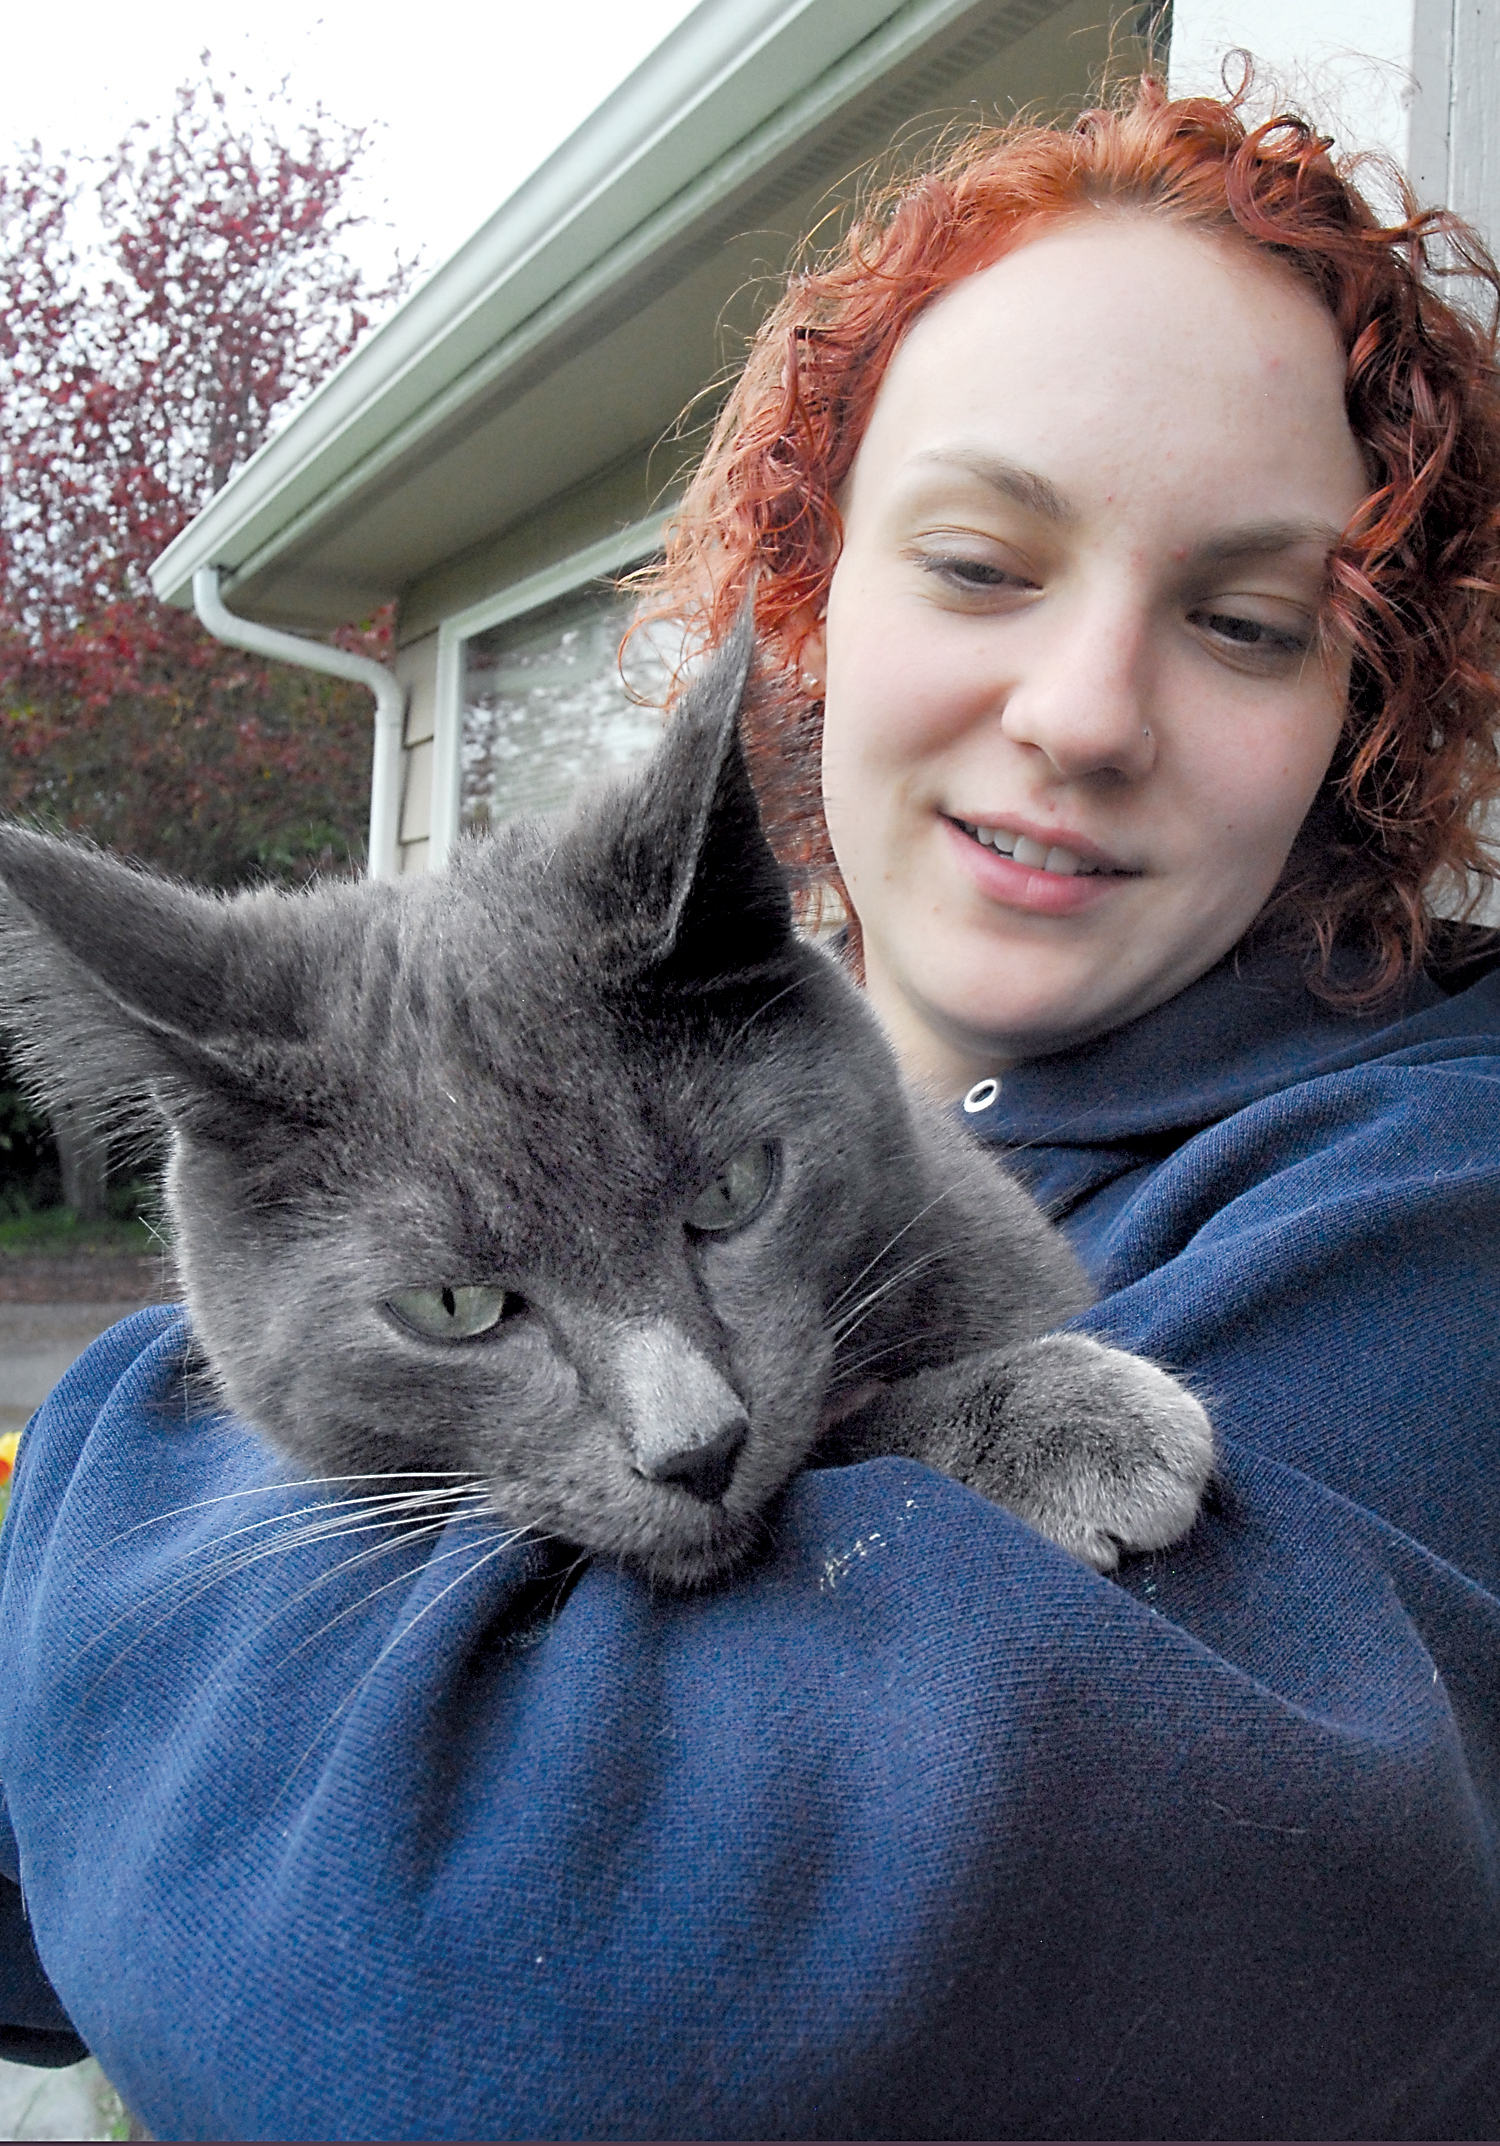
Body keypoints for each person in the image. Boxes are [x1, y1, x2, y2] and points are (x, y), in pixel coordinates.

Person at [3, 75, 1499, 2141]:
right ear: (811, 600)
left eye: (1247, 618)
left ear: (1370, 701)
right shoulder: (745, 1064)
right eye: (982, 562)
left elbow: (524, 2012)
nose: (1078, 714)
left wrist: (105, 1480)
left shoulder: (1434, 1191)